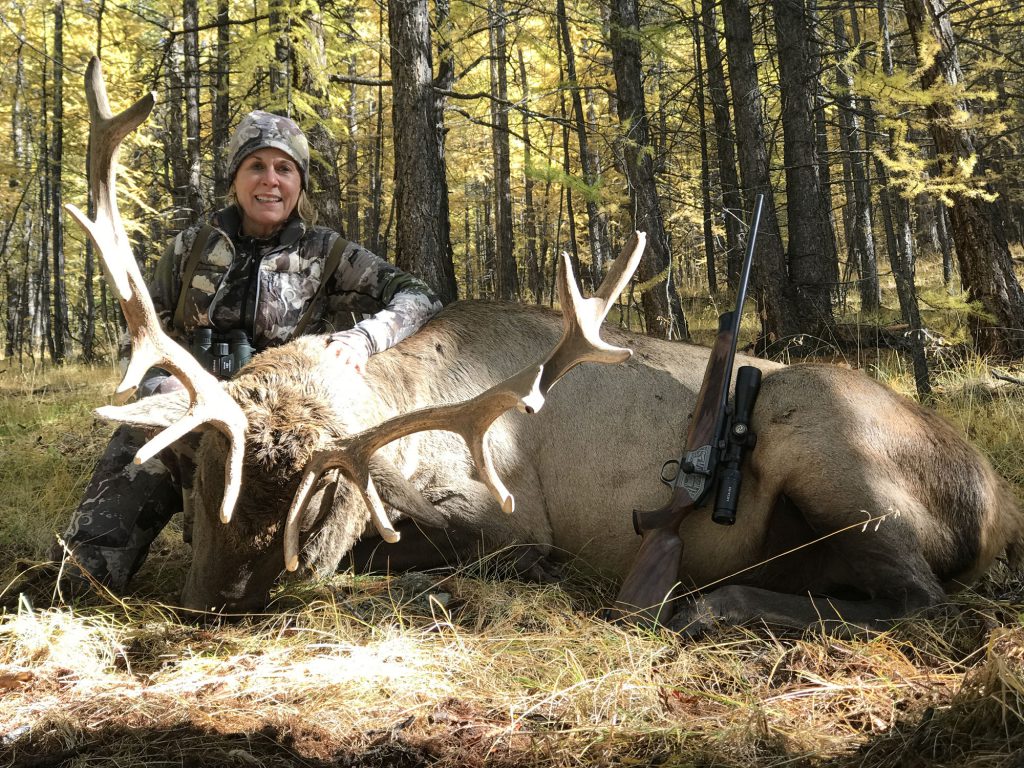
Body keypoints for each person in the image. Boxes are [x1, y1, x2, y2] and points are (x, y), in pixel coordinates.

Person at [52, 110, 443, 592]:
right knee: (121, 479)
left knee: (261, 562)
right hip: (189, 412)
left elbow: (418, 296)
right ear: (235, 178)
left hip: (277, 435)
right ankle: (78, 583)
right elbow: (140, 328)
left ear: (299, 183)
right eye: (256, 166)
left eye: (285, 169)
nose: (270, 181)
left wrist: (364, 338)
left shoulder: (328, 253)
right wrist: (158, 384)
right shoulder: (189, 247)